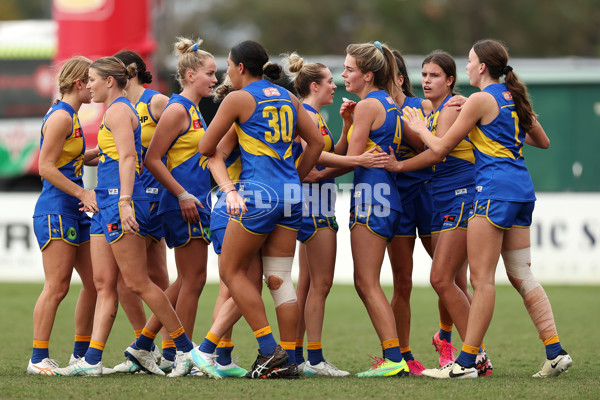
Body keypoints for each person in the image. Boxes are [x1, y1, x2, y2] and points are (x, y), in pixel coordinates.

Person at [402, 39, 572, 379]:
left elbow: (442, 147)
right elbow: (542, 140)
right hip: (522, 190)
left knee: (481, 281)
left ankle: (467, 363)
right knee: (521, 275)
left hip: (492, 190)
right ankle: (555, 352)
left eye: (469, 61)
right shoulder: (510, 96)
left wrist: (421, 128)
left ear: (482, 67)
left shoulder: (480, 98)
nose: (465, 66)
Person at [54, 56, 195, 377]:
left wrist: (127, 200)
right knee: (105, 283)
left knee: (138, 282)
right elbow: (111, 155)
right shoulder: (112, 111)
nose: (87, 84)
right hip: (105, 204)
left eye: (91, 79)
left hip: (120, 201)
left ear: (109, 81)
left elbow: (130, 157)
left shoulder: (118, 111)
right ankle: (91, 361)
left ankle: (186, 351)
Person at [197, 40, 323, 379]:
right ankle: (290, 360)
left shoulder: (238, 98)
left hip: (257, 196)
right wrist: (294, 178)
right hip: (291, 198)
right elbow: (318, 143)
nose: (226, 71)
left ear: (240, 68)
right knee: (280, 281)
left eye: (227, 65)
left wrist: (227, 188)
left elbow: (207, 148)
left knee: (232, 272)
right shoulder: (288, 97)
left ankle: (271, 352)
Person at [386, 50, 489, 374]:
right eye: (425, 75)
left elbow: (437, 153)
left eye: (434, 75)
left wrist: (401, 161)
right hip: (431, 201)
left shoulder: (444, 107)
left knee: (447, 278)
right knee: (417, 280)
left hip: (450, 198)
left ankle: (464, 350)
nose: (427, 80)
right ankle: (412, 353)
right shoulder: (432, 107)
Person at [126, 38, 217, 378]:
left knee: (189, 279)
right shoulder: (178, 109)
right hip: (181, 204)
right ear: (190, 75)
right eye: (209, 73)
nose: (214, 78)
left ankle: (143, 343)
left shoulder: (192, 110)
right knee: (194, 279)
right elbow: (151, 159)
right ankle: (185, 356)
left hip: (193, 202)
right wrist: (181, 194)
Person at [29, 57, 101, 375]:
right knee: (57, 286)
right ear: (79, 84)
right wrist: (83, 193)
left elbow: (67, 159)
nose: (96, 86)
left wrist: (101, 152)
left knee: (95, 284)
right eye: (93, 80)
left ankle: (80, 357)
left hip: (73, 210)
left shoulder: (70, 115)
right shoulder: (60, 117)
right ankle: (37, 359)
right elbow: (45, 167)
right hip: (57, 209)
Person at [341, 41, 409, 377]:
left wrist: (309, 169)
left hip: (371, 197)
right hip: (387, 197)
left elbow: (354, 158)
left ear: (368, 75)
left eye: (349, 69)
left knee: (366, 281)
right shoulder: (389, 102)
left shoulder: (368, 105)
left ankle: (393, 357)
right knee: (369, 281)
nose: (344, 74)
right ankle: (395, 355)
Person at [110, 50, 173, 373]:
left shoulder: (156, 102)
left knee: (157, 275)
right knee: (127, 281)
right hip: (129, 197)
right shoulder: (118, 107)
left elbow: (182, 141)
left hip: (153, 199)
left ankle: (171, 348)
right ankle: (143, 346)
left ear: (127, 72)